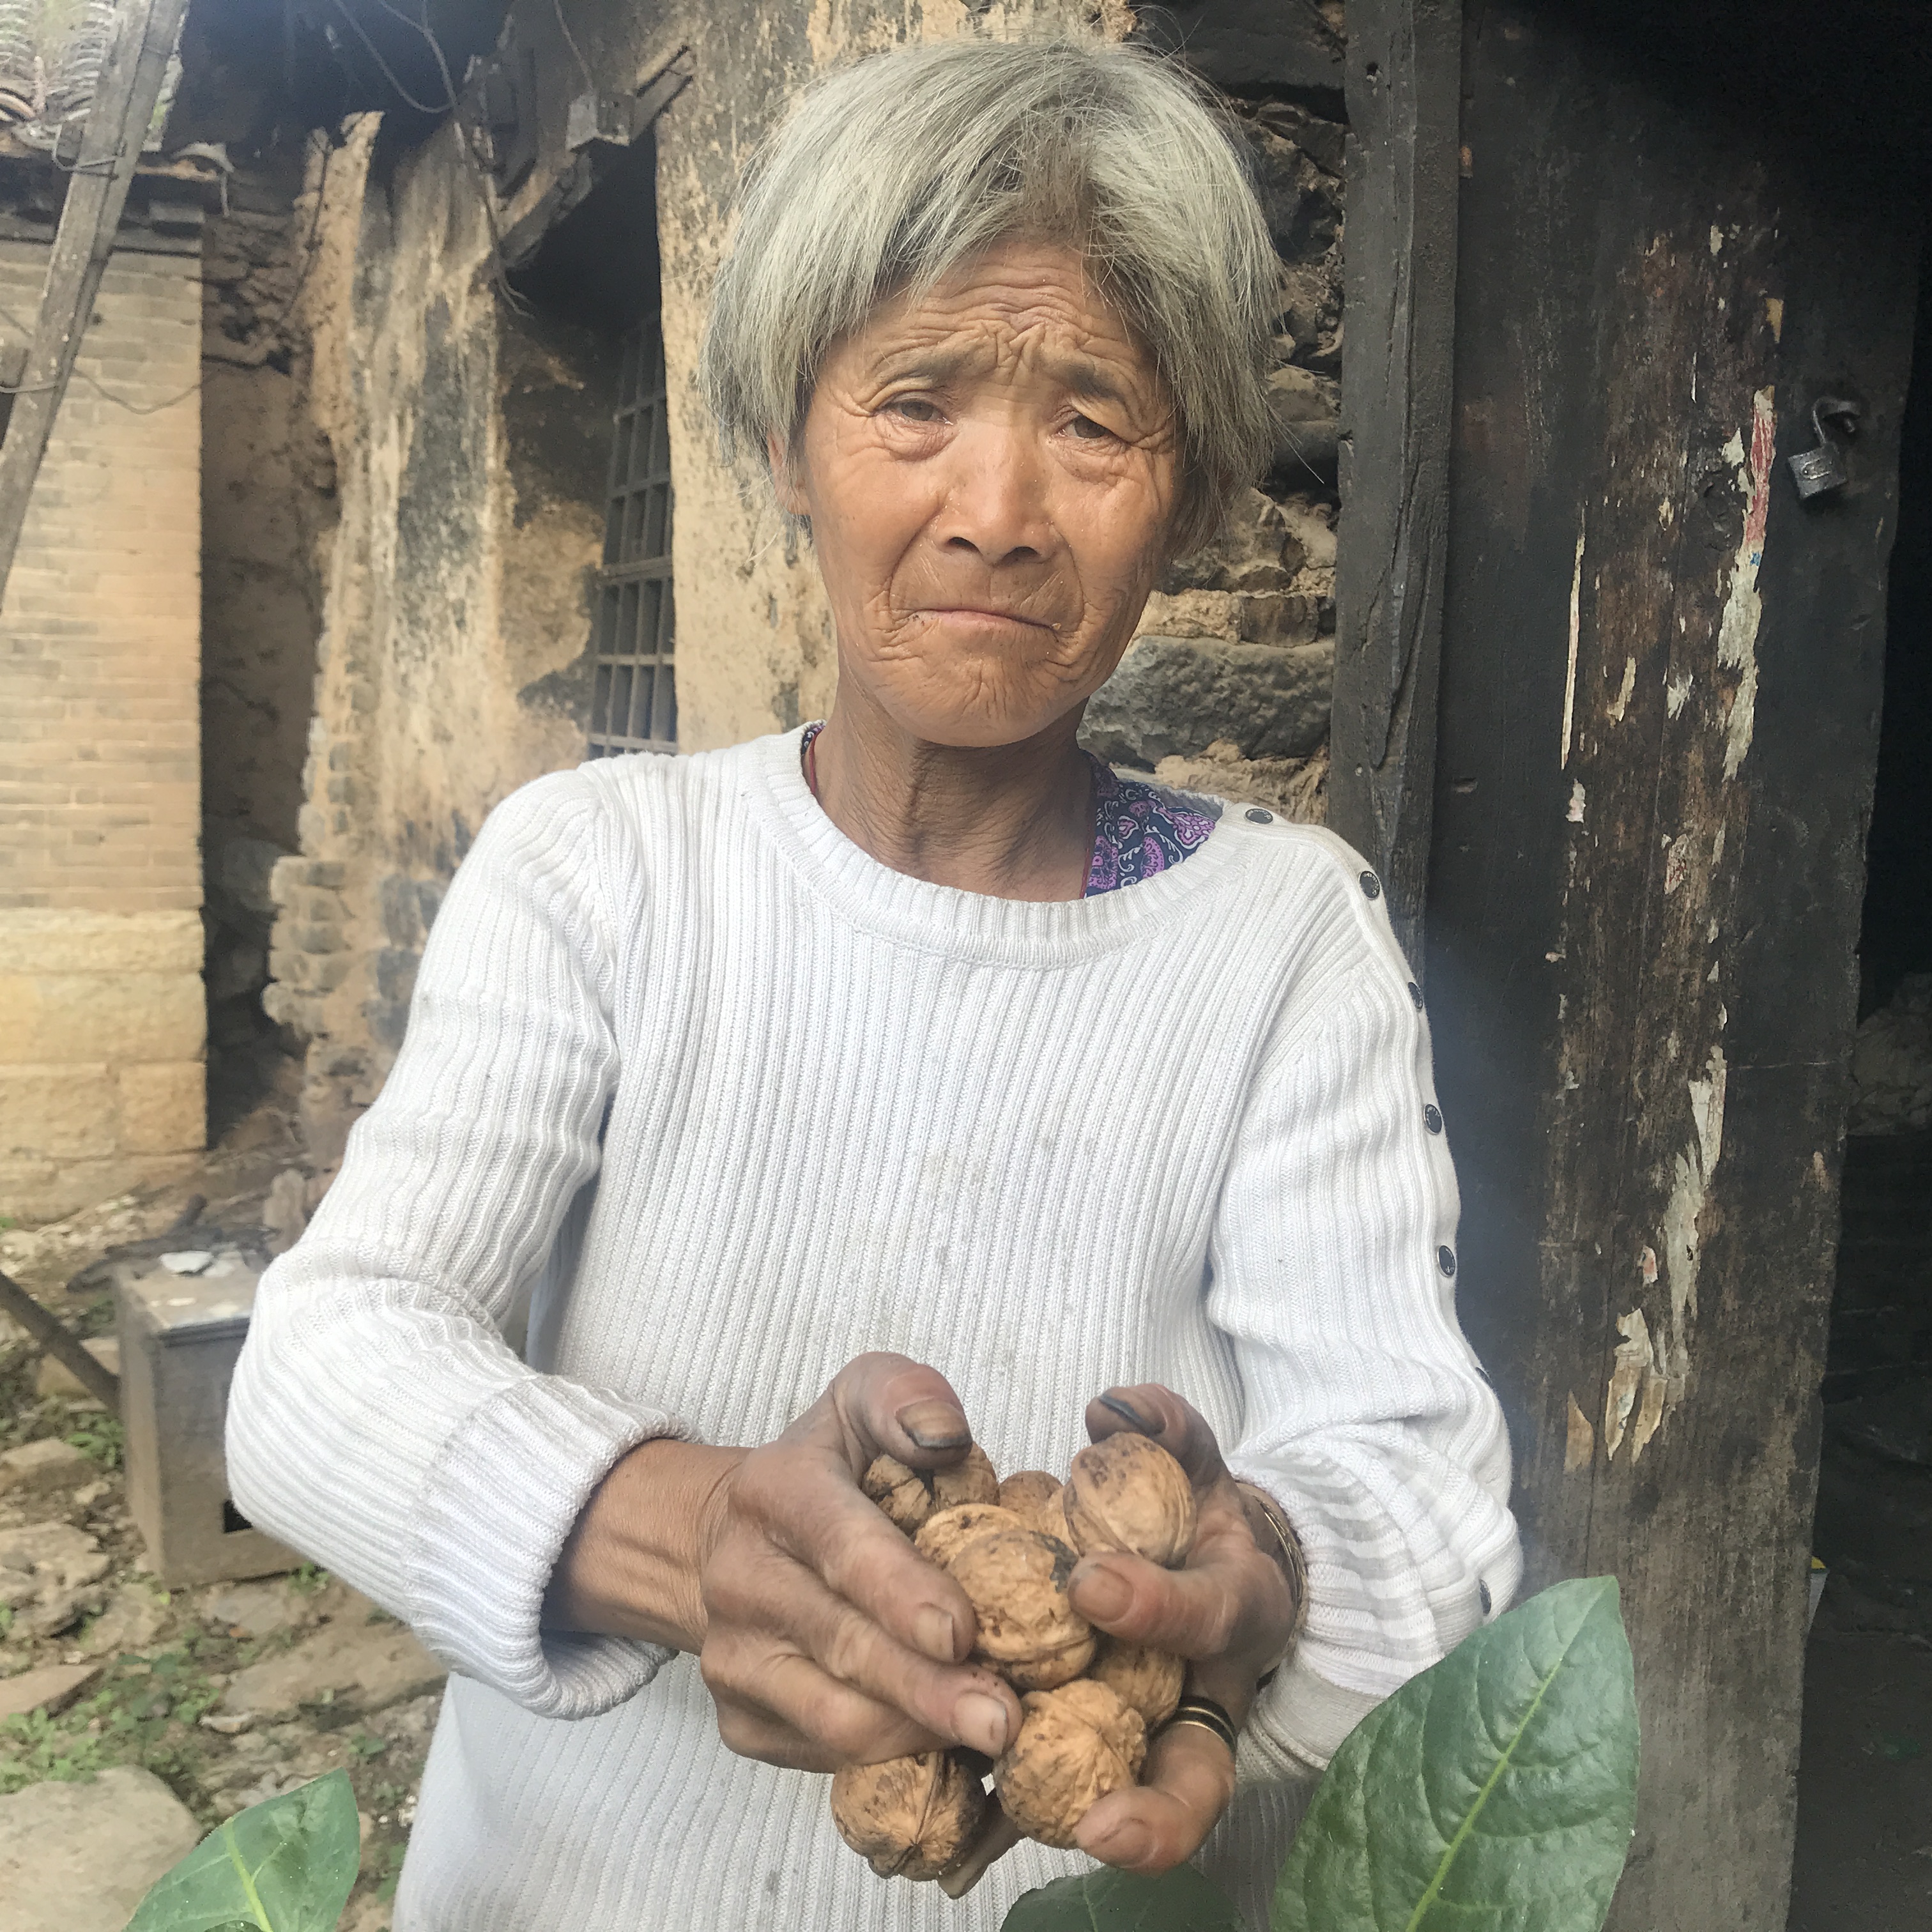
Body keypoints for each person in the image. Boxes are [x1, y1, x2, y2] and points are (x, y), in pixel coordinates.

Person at [226, 33, 1521, 1932]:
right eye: (916, 401)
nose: (999, 506)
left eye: (1095, 421)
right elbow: (324, 1361)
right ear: (784, 447)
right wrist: (683, 1539)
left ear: (1190, 498)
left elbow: (1420, 1489)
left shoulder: (1280, 940)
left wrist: (1262, 1573)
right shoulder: (606, 872)